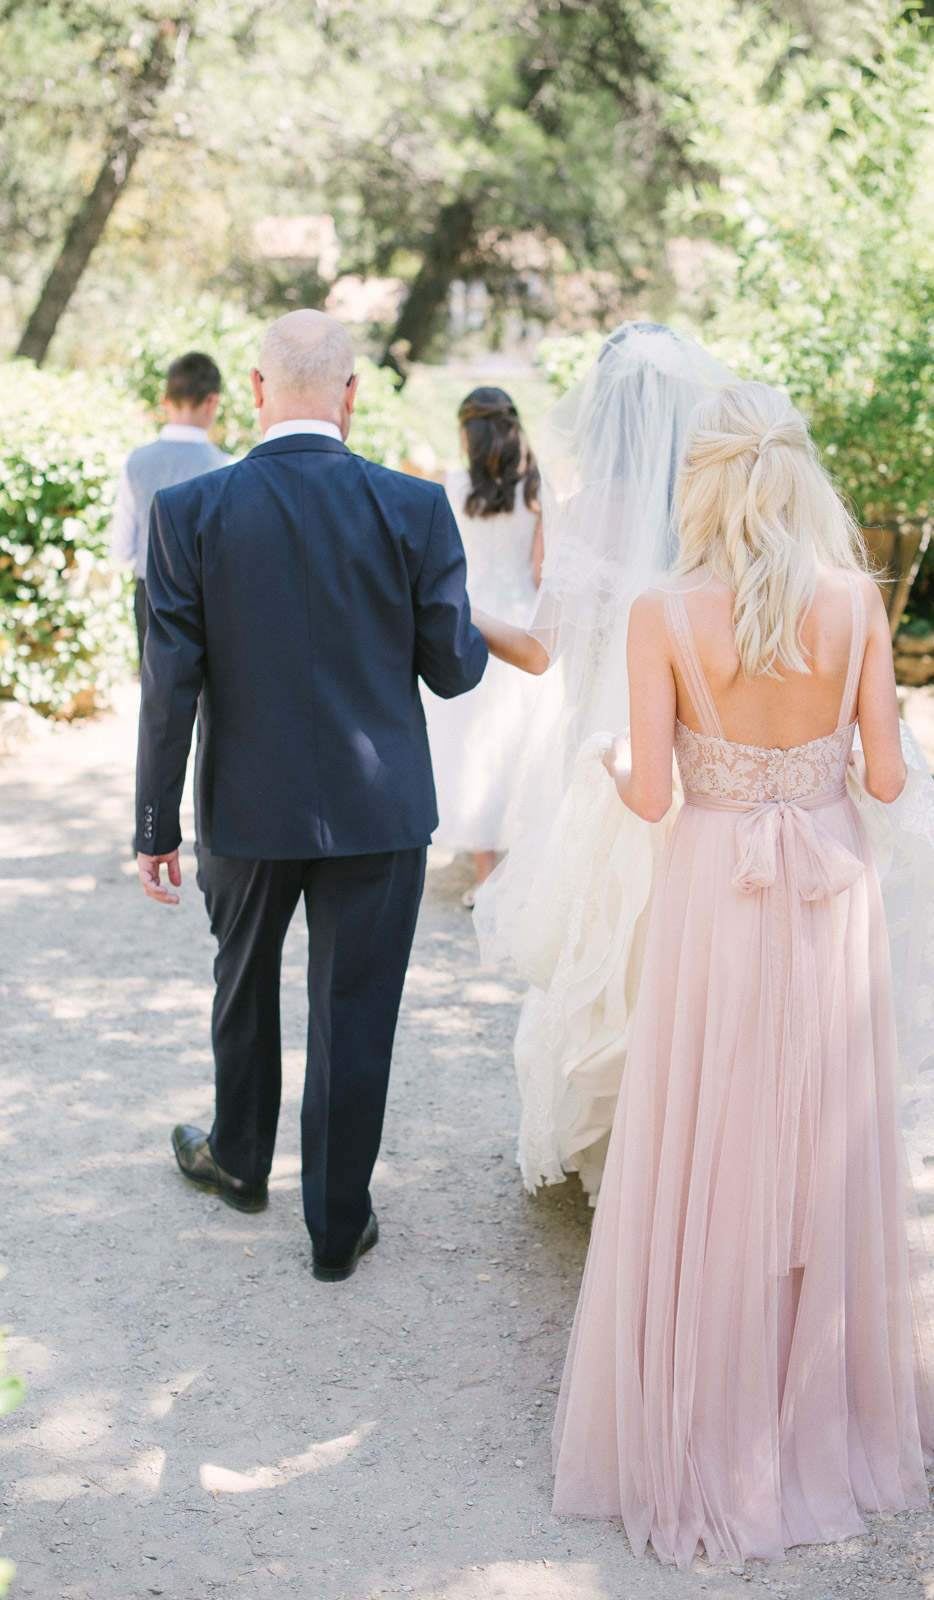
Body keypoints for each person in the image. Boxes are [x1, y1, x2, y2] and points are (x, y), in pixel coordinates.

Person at [488, 380, 934, 1564]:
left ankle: (710, 1400)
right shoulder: (856, 600)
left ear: (700, 483)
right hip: (830, 889)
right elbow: (888, 779)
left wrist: (614, 758)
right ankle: (825, 1404)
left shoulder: (663, 610)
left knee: (715, 1123)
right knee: (822, 1125)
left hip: (718, 887)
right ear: (801, 476)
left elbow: (654, 795)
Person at [134, 309, 487, 1282]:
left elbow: (169, 686)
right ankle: (337, 1226)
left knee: (242, 982)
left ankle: (240, 1161)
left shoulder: (189, 512)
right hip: (379, 813)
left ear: (255, 390)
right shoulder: (414, 507)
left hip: (246, 808)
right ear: (351, 394)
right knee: (355, 1010)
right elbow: (454, 668)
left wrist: (156, 824)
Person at [471, 322, 737, 1195]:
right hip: (702, 751)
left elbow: (540, 650)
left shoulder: (586, 511)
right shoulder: (716, 506)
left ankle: (608, 1141)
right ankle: (690, 1141)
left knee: (605, 931)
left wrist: (455, 612)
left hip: (604, 752)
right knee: (691, 939)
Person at [421, 387, 545, 906]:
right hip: (523, 623)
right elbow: (541, 571)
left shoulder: (448, 487)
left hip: (470, 620)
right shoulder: (537, 489)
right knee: (523, 741)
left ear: (467, 434)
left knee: (470, 743)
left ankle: (486, 873)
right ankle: (527, 863)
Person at [110, 351, 233, 664]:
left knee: (156, 690)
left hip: (150, 595)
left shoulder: (134, 462)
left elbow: (121, 550)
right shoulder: (227, 467)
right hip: (207, 600)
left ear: (165, 400)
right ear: (212, 402)